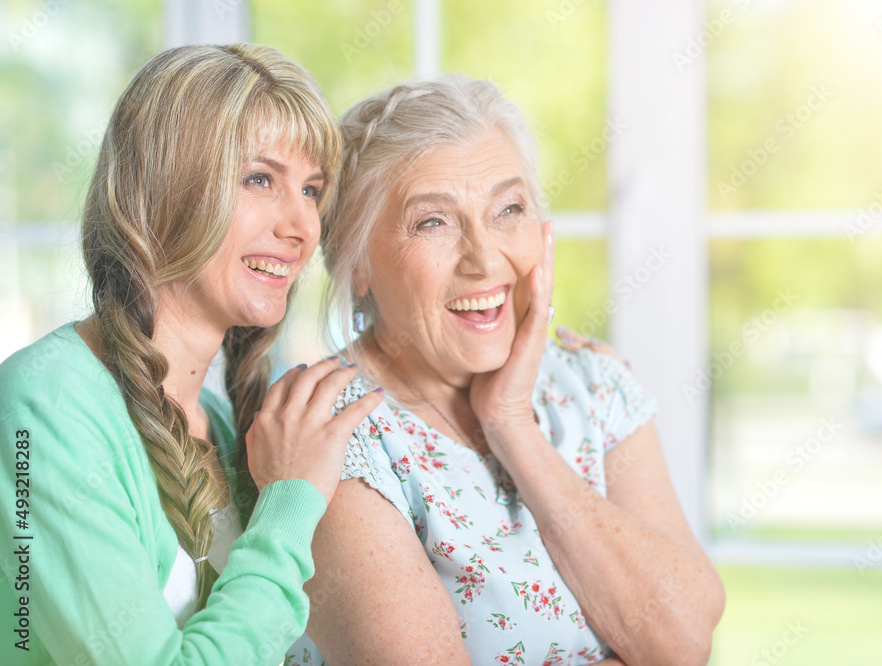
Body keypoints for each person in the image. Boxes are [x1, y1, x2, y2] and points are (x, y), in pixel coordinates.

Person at [286, 77, 725, 666]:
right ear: (356, 262)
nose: (486, 259)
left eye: (508, 210)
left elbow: (685, 640)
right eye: (433, 222)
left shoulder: (593, 386)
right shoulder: (329, 433)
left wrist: (513, 425)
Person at [0, 44, 382, 665]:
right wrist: (288, 505)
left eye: (311, 190)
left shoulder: (223, 418)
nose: (303, 226)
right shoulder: (44, 403)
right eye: (261, 179)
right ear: (162, 190)